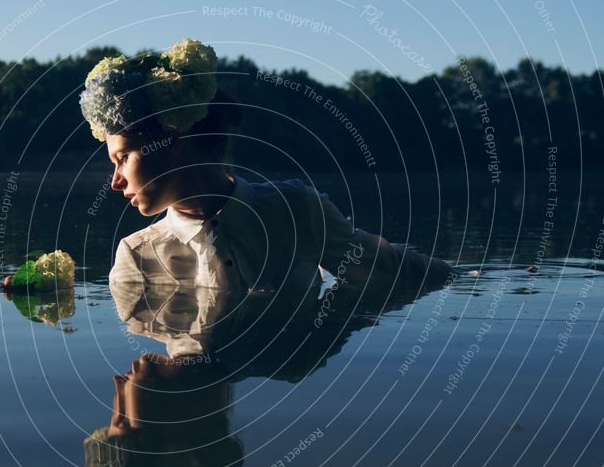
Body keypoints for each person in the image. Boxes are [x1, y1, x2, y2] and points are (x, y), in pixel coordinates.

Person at [80, 38, 454, 295]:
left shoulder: (294, 211)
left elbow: (397, 272)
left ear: (173, 141)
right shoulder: (136, 256)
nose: (114, 181)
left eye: (123, 158)